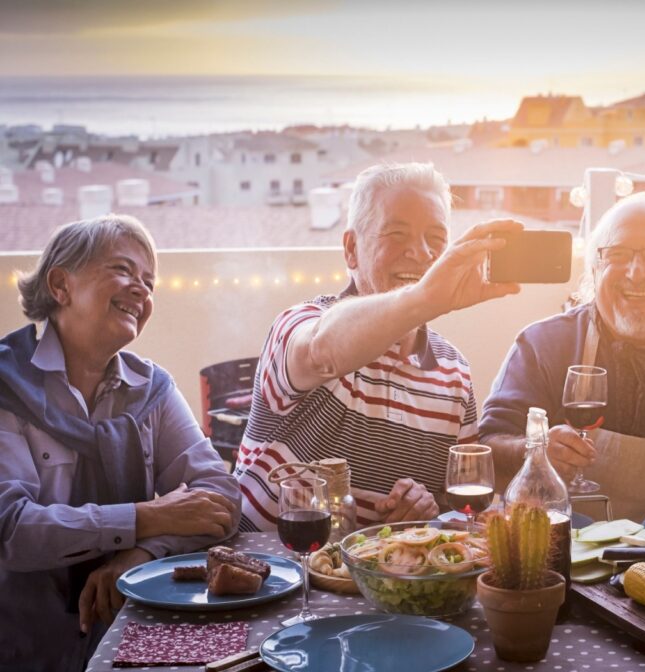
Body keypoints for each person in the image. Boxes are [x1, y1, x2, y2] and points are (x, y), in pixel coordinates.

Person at [0, 215, 241, 672]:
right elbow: (11, 528)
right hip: (23, 643)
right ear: (60, 285)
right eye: (122, 270)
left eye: (148, 281)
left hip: (136, 633)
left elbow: (221, 496)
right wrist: (146, 516)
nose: (142, 290)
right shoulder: (5, 385)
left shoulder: (152, 388)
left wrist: (138, 553)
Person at [233, 162, 520, 530]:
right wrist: (423, 298)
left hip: (381, 580)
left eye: (436, 238)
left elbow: (456, 505)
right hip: (271, 572)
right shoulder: (299, 325)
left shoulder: (453, 371)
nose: (420, 252)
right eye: (396, 234)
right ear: (352, 250)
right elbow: (322, 351)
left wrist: (427, 506)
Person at [480, 193, 645, 521]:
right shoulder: (544, 345)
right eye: (618, 254)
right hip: (568, 553)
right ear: (595, 271)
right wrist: (535, 452)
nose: (636, 273)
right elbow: (487, 452)